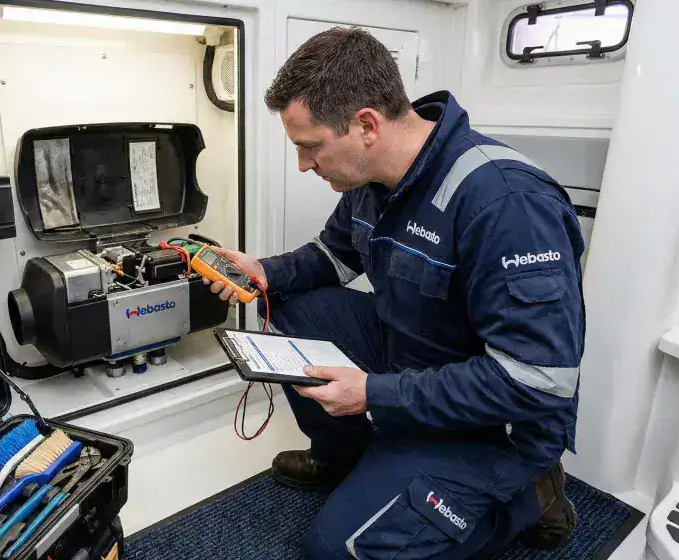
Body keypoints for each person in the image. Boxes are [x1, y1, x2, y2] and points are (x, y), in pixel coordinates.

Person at [206, 27, 583, 559]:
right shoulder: (371, 181)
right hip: (411, 363)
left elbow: (538, 383)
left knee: (333, 552)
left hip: (494, 421)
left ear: (365, 125)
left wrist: (375, 394)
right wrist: (264, 273)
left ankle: (529, 500)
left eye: (309, 147)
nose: (304, 165)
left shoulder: (506, 203)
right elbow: (333, 258)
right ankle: (345, 456)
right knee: (291, 302)